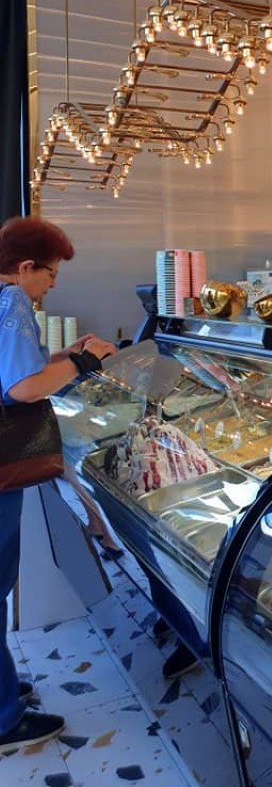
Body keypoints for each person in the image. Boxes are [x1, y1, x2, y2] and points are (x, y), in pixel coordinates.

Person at [0, 216, 116, 752]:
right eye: (50, 274)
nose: (50, 286)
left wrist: (65, 358)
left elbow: (16, 370)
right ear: (26, 267)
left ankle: (3, 690)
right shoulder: (11, 300)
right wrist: (85, 361)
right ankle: (4, 719)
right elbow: (22, 388)